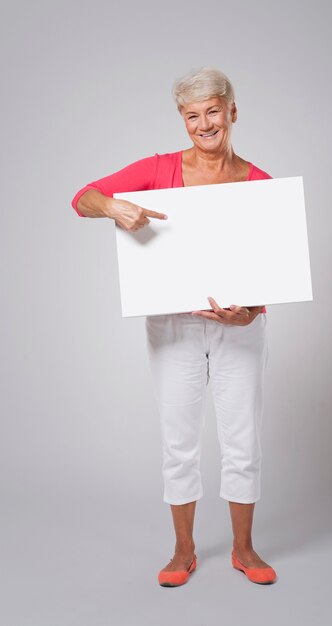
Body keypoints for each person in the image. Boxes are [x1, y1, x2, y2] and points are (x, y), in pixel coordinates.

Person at [71, 66, 277, 586]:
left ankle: (245, 549)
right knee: (178, 439)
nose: (204, 123)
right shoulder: (159, 167)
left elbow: (273, 267)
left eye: (213, 111)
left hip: (239, 326)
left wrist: (249, 310)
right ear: (182, 120)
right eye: (192, 115)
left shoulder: (260, 184)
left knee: (243, 437)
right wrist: (114, 207)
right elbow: (83, 197)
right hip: (171, 324)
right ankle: (183, 550)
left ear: (232, 111)